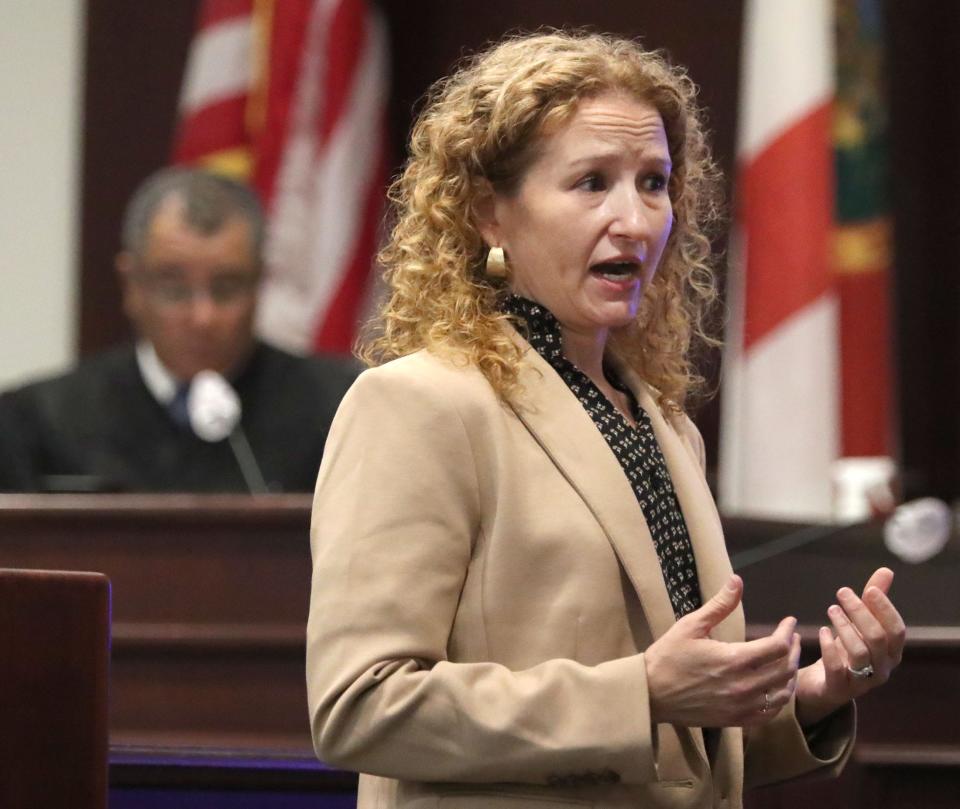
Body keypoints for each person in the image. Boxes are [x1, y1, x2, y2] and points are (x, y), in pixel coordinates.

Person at [305, 32, 905, 808]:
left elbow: (679, 750)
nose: (635, 219)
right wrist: (640, 692)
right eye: (592, 183)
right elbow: (359, 707)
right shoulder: (418, 404)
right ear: (490, 212)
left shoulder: (663, 423)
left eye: (653, 182)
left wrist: (814, 693)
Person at [0, 168, 357, 493]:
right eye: (174, 289)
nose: (202, 317)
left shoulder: (337, 410)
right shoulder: (39, 422)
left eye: (226, 288)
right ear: (132, 285)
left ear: (259, 284)